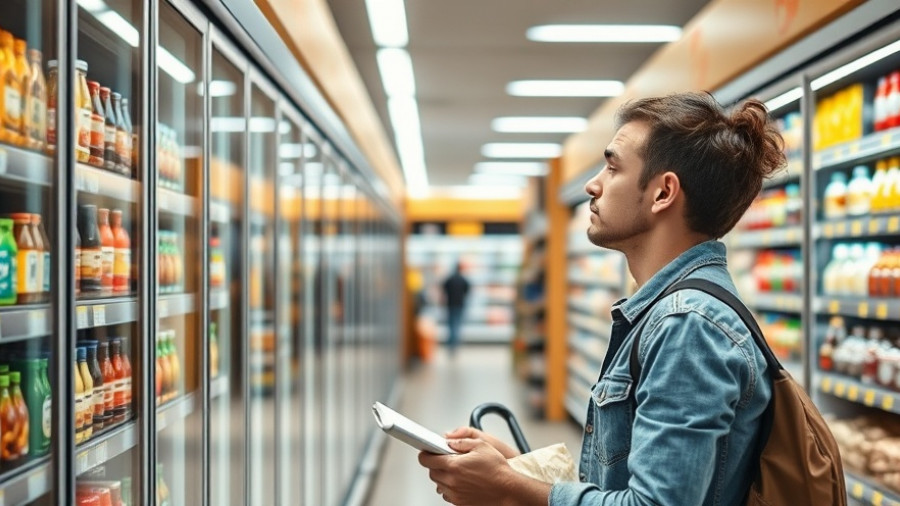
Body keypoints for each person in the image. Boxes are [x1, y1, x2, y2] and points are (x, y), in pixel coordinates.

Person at [418, 91, 785, 505]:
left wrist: (507, 486)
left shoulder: (687, 325)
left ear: (663, 193)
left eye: (612, 167)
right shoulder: (670, 313)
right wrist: (517, 470)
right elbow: (627, 488)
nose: (593, 184)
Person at [442, 262, 470, 356]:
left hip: (450, 304)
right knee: (457, 325)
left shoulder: (450, 279)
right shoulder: (463, 279)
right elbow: (467, 290)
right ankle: (455, 344)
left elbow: (444, 288)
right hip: (460, 304)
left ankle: (451, 345)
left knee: (451, 325)